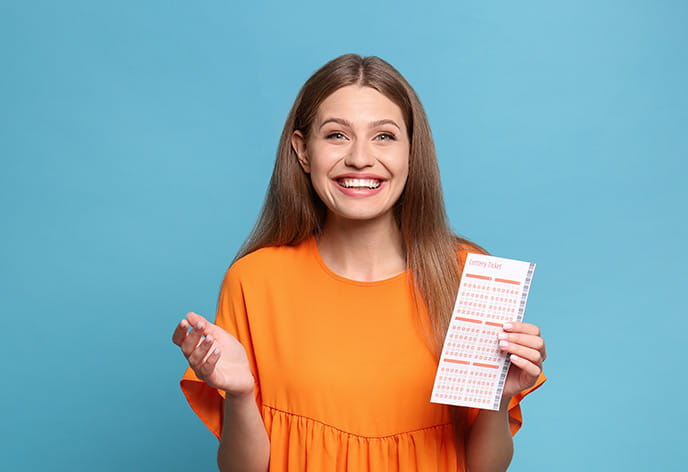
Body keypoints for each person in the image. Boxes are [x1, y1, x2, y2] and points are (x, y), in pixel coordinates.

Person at [172, 53, 546, 472]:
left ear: (411, 152)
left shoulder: (468, 275)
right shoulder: (254, 280)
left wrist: (497, 396)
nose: (360, 159)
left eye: (384, 136)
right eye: (336, 135)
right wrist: (240, 395)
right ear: (303, 151)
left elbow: (485, 468)